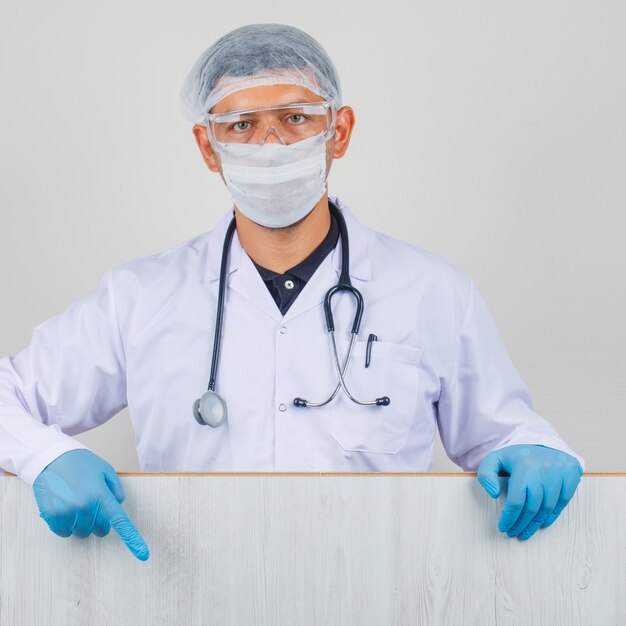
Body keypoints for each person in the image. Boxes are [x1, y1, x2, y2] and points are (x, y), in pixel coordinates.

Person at [0, 23, 584, 562]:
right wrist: (43, 456)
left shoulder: (432, 291)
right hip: (193, 599)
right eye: (241, 125)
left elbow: (504, 435)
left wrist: (538, 448)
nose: (271, 144)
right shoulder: (139, 296)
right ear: (208, 147)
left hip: (379, 595)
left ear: (340, 130)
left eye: (297, 118)